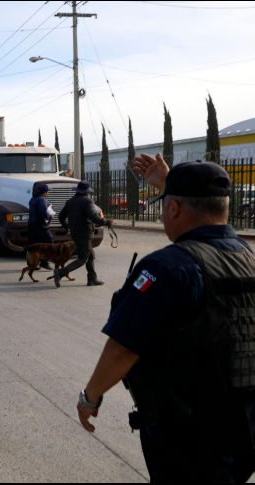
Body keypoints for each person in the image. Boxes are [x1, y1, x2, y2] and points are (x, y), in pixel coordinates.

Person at [76, 154, 255, 483]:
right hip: (244, 427)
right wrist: (172, 187)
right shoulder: (247, 256)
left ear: (173, 209)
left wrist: (90, 397)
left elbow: (123, 348)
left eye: (166, 206)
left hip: (188, 434)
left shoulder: (166, 268)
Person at [54, 180, 112, 287]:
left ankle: (92, 279)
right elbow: (93, 216)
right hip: (85, 233)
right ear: (87, 191)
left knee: (91, 256)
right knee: (82, 258)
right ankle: (60, 273)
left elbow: (61, 216)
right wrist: (106, 222)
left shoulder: (70, 201)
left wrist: (66, 226)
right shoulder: (87, 201)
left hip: (74, 233)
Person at [28, 183, 55, 270]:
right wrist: (50, 216)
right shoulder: (41, 200)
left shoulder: (32, 199)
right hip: (40, 225)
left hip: (31, 224)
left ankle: (32, 263)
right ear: (44, 192)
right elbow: (43, 213)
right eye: (48, 192)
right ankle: (44, 262)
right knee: (49, 241)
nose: (48, 193)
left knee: (33, 244)